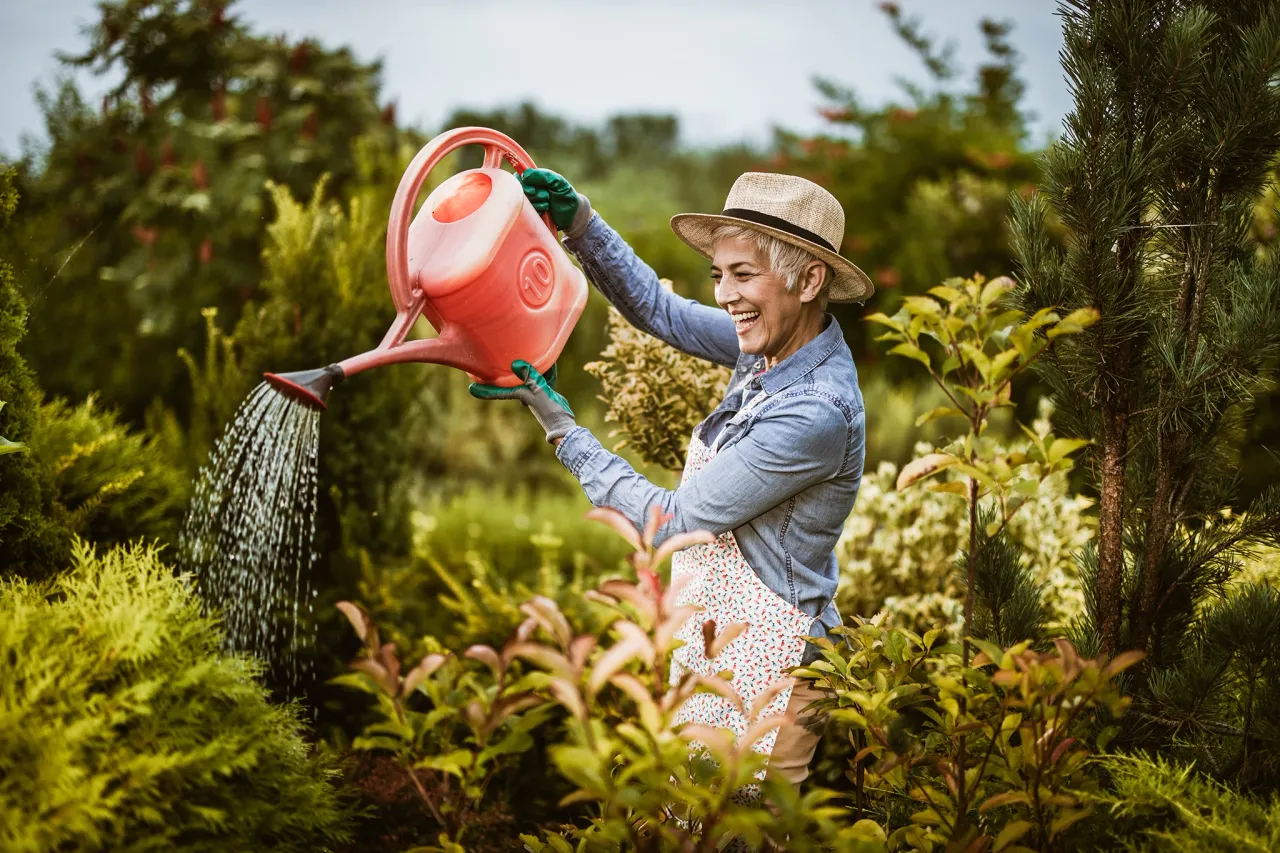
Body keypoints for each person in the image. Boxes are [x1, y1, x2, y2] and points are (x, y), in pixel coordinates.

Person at [471, 168, 872, 788]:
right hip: (723, 637)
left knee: (739, 830)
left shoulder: (815, 409)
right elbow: (662, 312)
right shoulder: (770, 345)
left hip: (778, 660)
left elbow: (675, 523)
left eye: (743, 275)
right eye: (719, 275)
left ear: (809, 279)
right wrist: (581, 223)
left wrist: (563, 432)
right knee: (685, 818)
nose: (724, 296)